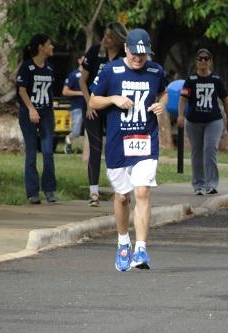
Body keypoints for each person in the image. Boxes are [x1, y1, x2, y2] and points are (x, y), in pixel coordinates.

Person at [89, 28, 166, 272]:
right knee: (123, 196)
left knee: (142, 192)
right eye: (134, 54)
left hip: (146, 139)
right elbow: (93, 101)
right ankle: (123, 241)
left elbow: (163, 93)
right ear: (126, 49)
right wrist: (113, 99)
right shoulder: (111, 70)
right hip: (118, 142)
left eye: (142, 55)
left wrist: (160, 105)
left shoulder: (155, 70)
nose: (138, 59)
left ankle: (141, 248)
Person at [79, 22, 127, 207]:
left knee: (116, 147)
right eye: (105, 36)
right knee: (95, 148)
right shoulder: (94, 52)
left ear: (117, 38)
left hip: (114, 107)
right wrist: (89, 103)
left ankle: (119, 189)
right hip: (94, 106)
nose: (105, 40)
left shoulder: (124, 55)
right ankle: (94, 193)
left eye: (109, 37)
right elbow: (83, 81)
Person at [177, 48, 228, 195]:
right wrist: (180, 115)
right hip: (193, 121)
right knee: (196, 152)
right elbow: (183, 99)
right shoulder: (191, 80)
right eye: (200, 59)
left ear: (210, 62)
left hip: (213, 120)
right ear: (196, 62)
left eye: (206, 59)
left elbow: (226, 100)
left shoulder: (216, 80)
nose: (203, 61)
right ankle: (198, 185)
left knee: (210, 149)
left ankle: (211, 184)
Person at [16, 34, 57, 204]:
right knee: (31, 152)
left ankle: (49, 189)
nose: (52, 46)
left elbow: (49, 90)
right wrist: (31, 109)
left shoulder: (50, 69)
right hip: (29, 114)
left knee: (48, 152)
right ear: (40, 47)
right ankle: (32, 192)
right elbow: (22, 90)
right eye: (49, 44)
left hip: (46, 114)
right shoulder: (27, 67)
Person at [62, 54, 86, 154]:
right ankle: (69, 141)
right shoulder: (74, 75)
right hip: (77, 107)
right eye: (84, 59)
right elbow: (65, 91)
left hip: (89, 107)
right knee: (76, 131)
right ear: (79, 61)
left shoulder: (91, 75)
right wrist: (81, 93)